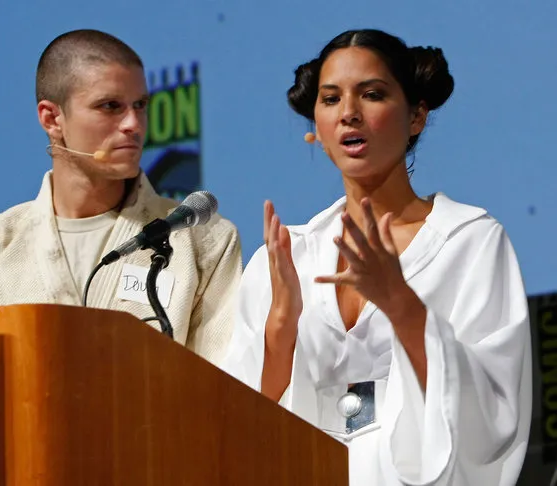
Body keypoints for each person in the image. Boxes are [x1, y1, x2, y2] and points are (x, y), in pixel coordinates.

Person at [223, 29, 531, 484]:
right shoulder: (290, 254)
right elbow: (231, 425)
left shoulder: (469, 241)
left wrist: (402, 305)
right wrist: (281, 331)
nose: (349, 114)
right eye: (330, 100)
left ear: (416, 116)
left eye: (371, 94)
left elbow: (493, 410)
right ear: (317, 131)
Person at [0, 29, 242, 365]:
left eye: (141, 105)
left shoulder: (203, 241)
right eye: (110, 106)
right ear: (51, 118)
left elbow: (227, 391)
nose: (133, 123)